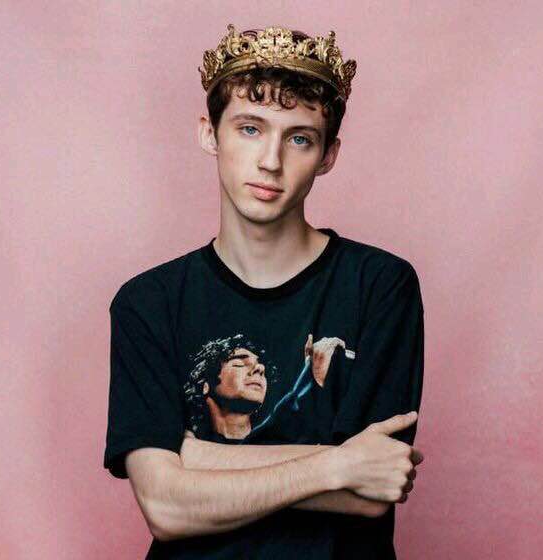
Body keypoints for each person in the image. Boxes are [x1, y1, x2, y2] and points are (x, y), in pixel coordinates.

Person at [103, 23, 426, 560]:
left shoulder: (379, 285)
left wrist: (194, 459)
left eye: (299, 138)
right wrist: (336, 464)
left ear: (328, 155)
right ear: (210, 134)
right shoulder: (148, 303)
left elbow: (372, 489)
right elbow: (164, 507)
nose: (271, 161)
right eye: (250, 128)